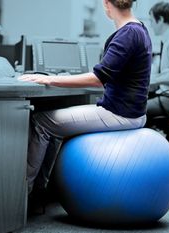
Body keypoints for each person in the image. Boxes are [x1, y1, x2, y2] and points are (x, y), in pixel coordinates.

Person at [18, 0, 152, 214]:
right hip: (132, 112)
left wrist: (49, 79)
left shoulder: (127, 34)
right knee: (54, 124)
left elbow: (99, 78)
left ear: (107, 4)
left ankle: (22, 196)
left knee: (41, 121)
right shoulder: (140, 29)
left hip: (120, 114)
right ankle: (41, 191)